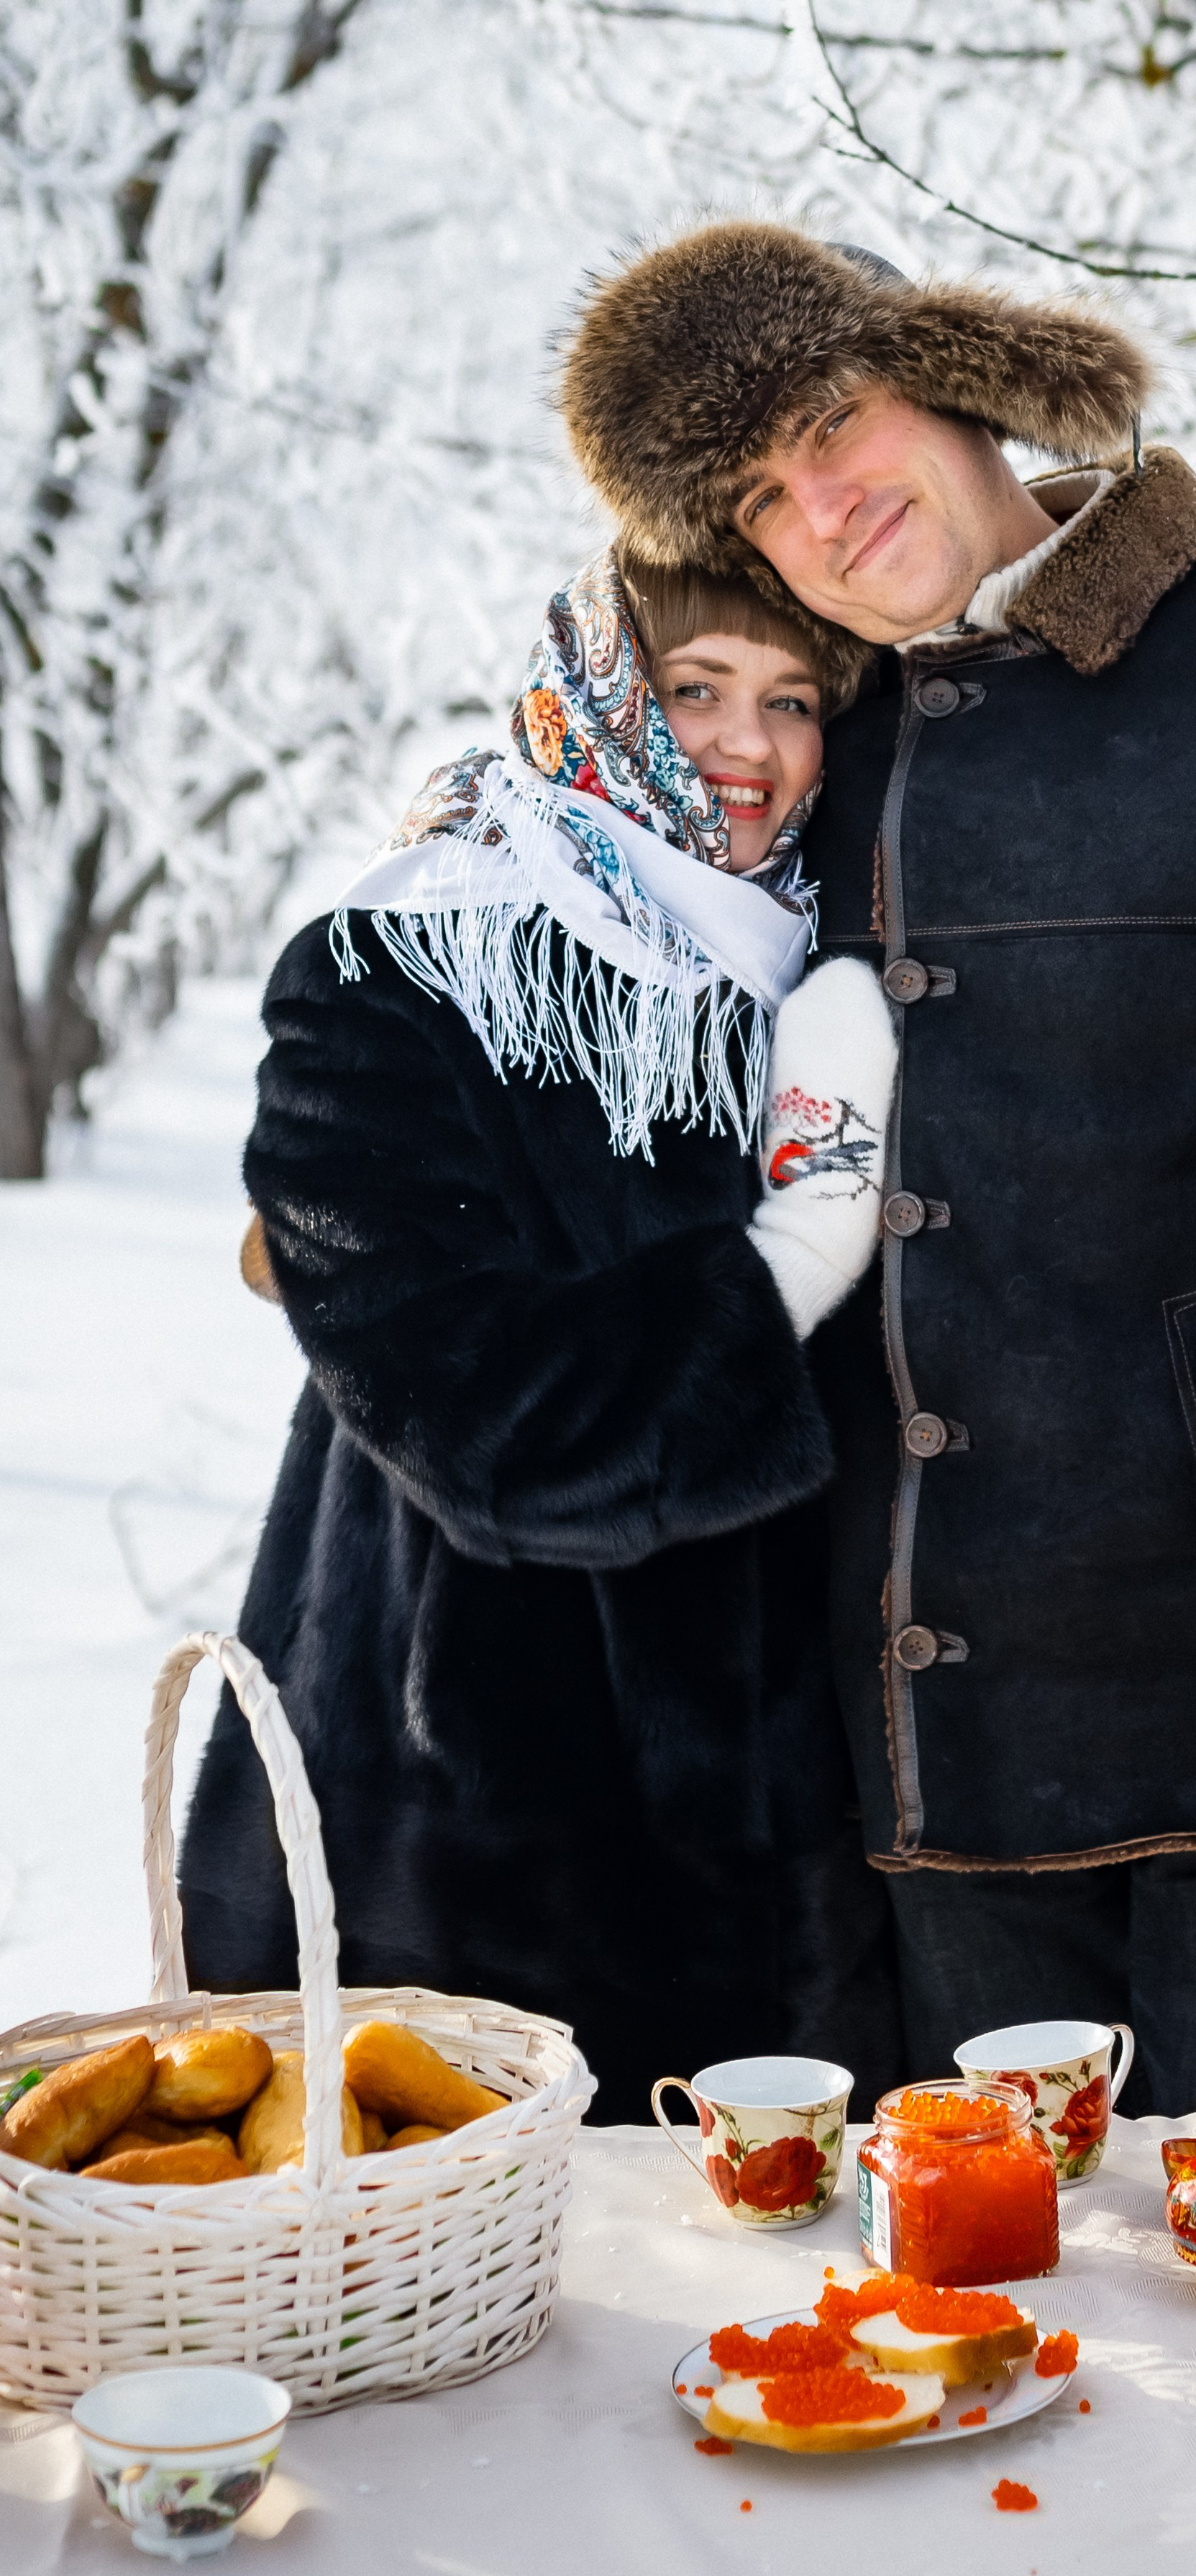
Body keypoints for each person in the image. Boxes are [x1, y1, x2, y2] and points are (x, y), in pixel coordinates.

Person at [557, 222, 1196, 2113]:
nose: (823, 513)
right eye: (759, 502)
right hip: (912, 1785)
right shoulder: (792, 762)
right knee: (979, 2370)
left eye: (825, 424)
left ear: (945, 367)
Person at [179, 545, 906, 2123]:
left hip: (793, 1842)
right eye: (696, 688)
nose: (750, 744)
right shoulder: (406, 967)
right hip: (463, 1842)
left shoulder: (810, 976)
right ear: (594, 699)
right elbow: (490, 1427)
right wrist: (798, 1246)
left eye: (795, 701)